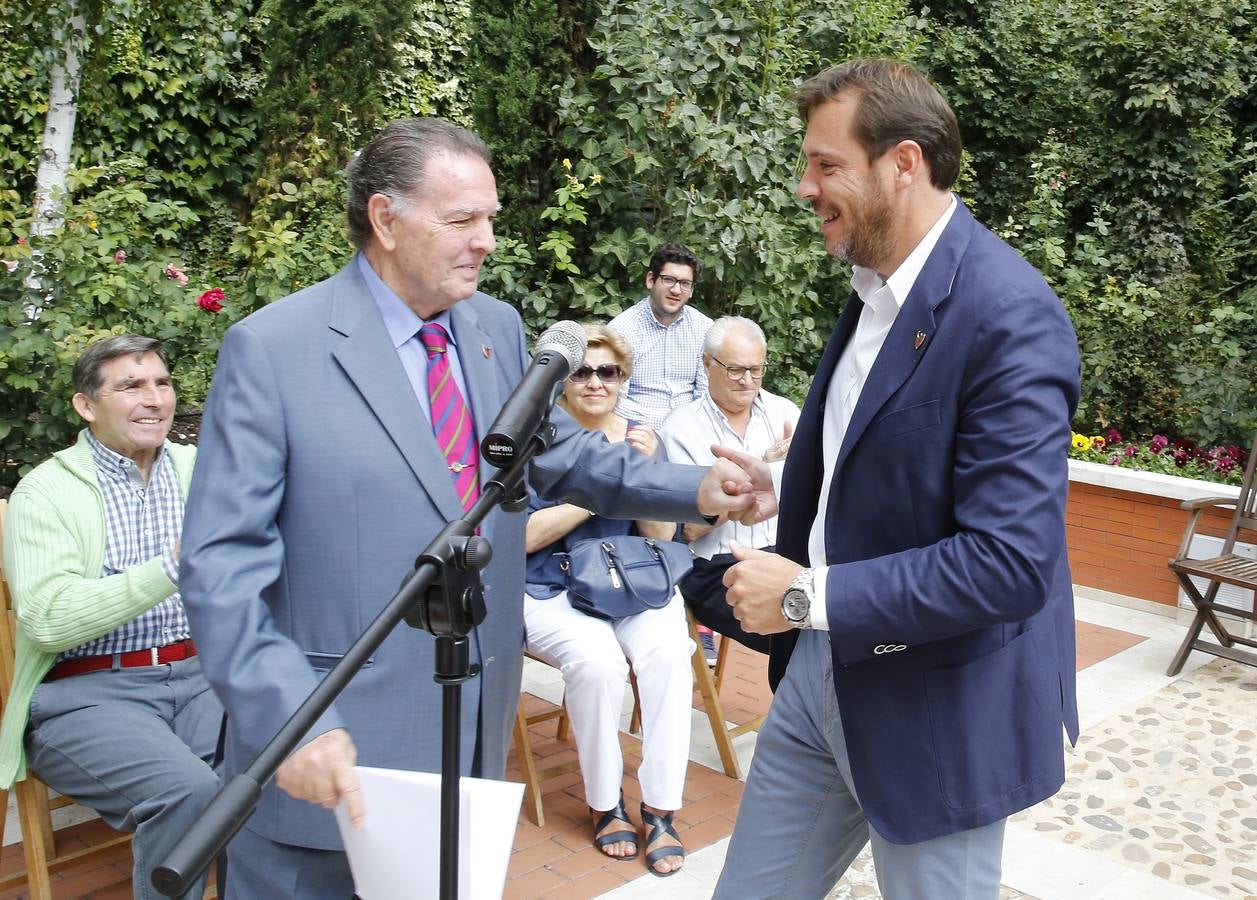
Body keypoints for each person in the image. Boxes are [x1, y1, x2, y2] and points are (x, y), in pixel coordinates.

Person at [178, 118, 753, 897]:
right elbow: (220, 570)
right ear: (385, 219)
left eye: (490, 218)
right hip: (329, 746)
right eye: (462, 220)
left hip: (466, 733)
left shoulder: (493, 329)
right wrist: (291, 722)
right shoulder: (273, 351)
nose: (486, 240)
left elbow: (556, 454)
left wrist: (693, 487)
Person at [710, 58, 1082, 899]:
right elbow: (893, 456)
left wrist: (805, 594)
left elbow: (1009, 562)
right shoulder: (872, 290)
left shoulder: (1009, 314)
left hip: (933, 707)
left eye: (825, 164)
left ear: (902, 163)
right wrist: (800, 502)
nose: (805, 186)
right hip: (816, 680)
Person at [0, 334, 222, 900]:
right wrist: (170, 567)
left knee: (289, 760)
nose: (154, 398)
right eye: (130, 386)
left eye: (162, 383)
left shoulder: (202, 470)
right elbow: (47, 620)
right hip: (88, 693)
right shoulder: (45, 491)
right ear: (85, 405)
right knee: (187, 791)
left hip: (203, 677)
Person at [524, 323, 693, 877]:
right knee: (597, 663)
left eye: (609, 372)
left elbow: (662, 537)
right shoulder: (539, 439)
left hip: (635, 581)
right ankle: (606, 802)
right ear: (562, 381)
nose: (595, 382)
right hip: (551, 585)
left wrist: (640, 472)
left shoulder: (642, 438)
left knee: (670, 653)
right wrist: (599, 487)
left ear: (624, 379)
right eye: (582, 371)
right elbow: (520, 539)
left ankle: (662, 806)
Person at [659, 316, 799, 657]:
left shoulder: (784, 410)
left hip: (785, 552)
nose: (747, 381)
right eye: (735, 369)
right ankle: (795, 708)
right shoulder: (681, 427)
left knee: (835, 608)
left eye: (756, 369)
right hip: (715, 565)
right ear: (707, 364)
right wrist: (763, 478)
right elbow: (688, 530)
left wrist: (800, 471)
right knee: (795, 626)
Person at [608, 242, 713, 429]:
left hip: (693, 430)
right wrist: (667, 421)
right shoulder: (622, 330)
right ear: (651, 280)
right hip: (635, 429)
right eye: (668, 280)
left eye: (685, 283)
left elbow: (707, 395)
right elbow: (615, 400)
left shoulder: (704, 329)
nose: (676, 290)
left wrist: (688, 425)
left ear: (692, 290)